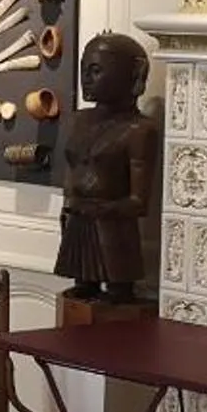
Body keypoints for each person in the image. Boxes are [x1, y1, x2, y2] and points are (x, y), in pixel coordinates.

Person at [54, 33, 156, 305]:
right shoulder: (78, 120)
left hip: (113, 231)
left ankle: (116, 289)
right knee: (80, 291)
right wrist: (68, 208)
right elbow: (71, 172)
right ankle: (86, 284)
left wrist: (105, 209)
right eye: (84, 70)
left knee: (117, 292)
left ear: (128, 76)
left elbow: (139, 201)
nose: (86, 78)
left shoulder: (139, 130)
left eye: (96, 70)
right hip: (78, 221)